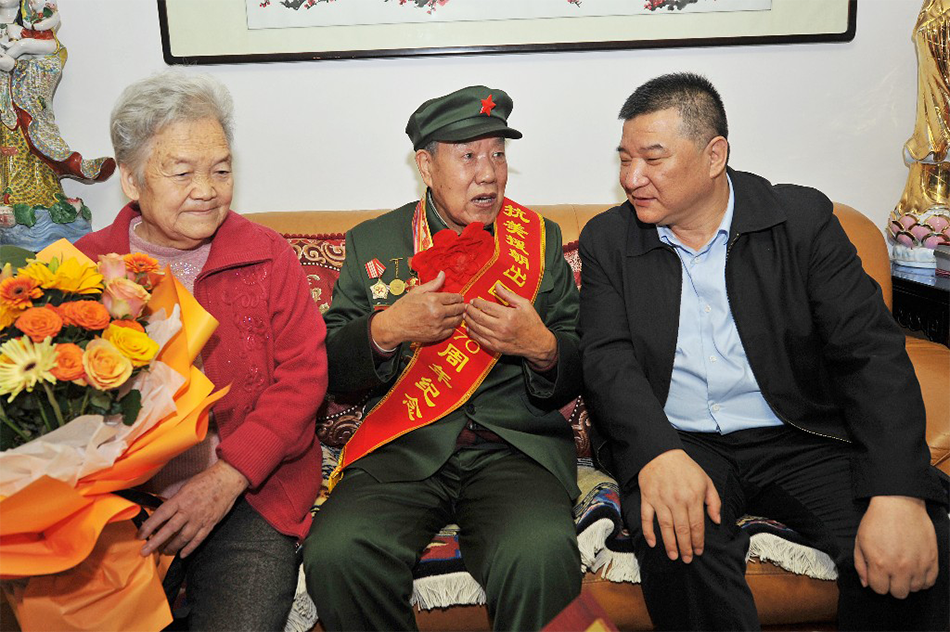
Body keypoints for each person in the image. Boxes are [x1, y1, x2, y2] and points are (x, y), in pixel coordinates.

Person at [578, 72, 950, 631]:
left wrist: (899, 490)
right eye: (625, 159)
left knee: (915, 547)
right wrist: (656, 453)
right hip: (681, 440)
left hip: (801, 435)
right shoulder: (609, 239)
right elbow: (608, 361)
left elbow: (869, 354)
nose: (632, 178)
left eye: (653, 159)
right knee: (678, 545)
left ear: (714, 155)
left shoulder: (801, 223)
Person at [302, 85, 582, 632]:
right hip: (402, 450)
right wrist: (387, 330)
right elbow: (330, 366)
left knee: (541, 550)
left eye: (498, 154)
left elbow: (582, 360)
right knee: (338, 551)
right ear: (426, 166)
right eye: (469, 155)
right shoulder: (374, 242)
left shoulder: (539, 239)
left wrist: (542, 347)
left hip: (512, 449)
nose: (489, 174)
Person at [76, 71, 328, 632]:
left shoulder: (267, 256)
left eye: (220, 169)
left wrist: (230, 475)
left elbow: (304, 378)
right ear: (132, 180)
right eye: (182, 171)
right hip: (118, 498)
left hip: (250, 491)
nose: (207, 189)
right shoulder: (83, 268)